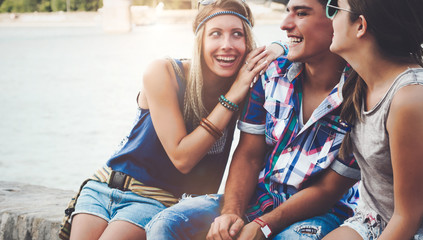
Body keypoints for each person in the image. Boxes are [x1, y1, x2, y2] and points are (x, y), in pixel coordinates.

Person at [58, 0, 286, 239]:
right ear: (200, 41)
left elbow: (297, 44)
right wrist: (232, 96)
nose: (226, 45)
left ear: (248, 42)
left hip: (157, 199)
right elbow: (181, 155)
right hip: (102, 186)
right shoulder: (164, 72)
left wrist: (277, 47)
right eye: (215, 34)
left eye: (237, 34)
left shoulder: (249, 87)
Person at [145, 0, 361, 239]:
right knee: (166, 224)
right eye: (287, 12)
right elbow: (249, 155)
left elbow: (329, 189)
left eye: (301, 13)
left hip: (320, 211)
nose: (284, 24)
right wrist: (231, 212)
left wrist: (264, 225)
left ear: (336, 20)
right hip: (257, 198)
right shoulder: (271, 74)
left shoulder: (360, 93)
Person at [321, 0, 423, 239]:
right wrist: (275, 47)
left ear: (360, 25)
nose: (330, 19)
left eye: (334, 9)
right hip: (371, 219)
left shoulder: (410, 97)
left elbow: (409, 217)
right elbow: (299, 50)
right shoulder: (358, 79)